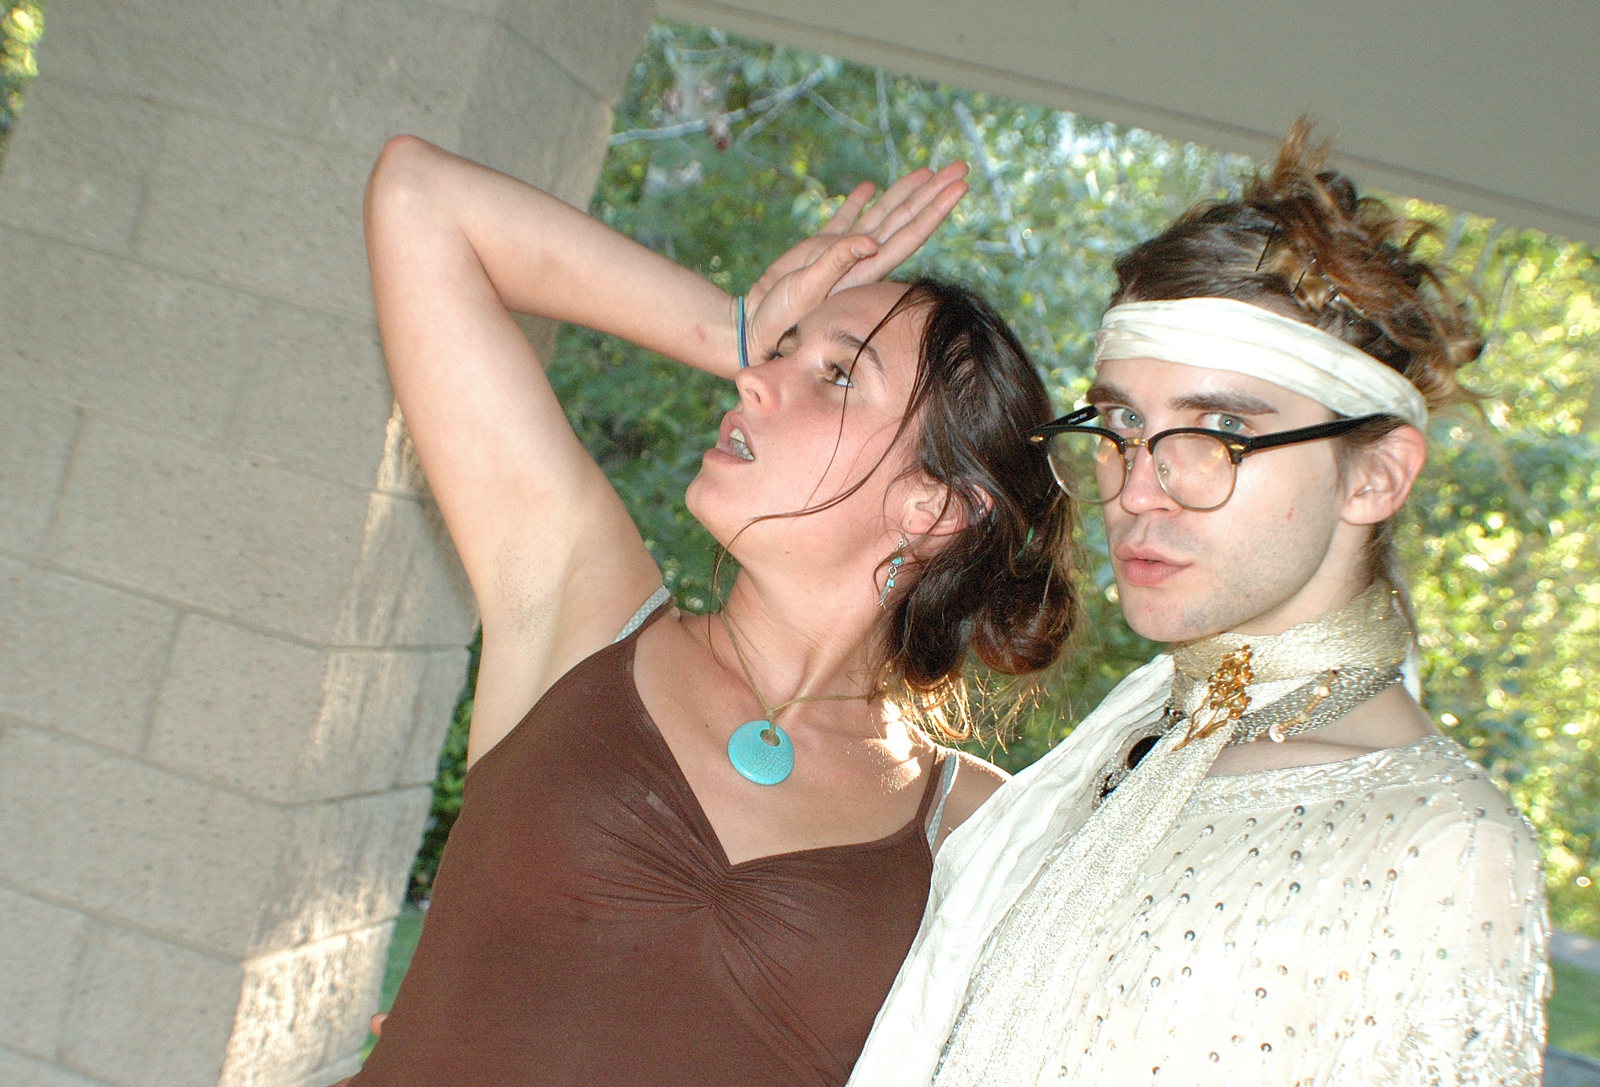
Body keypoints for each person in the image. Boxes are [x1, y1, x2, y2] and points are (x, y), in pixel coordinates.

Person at [348, 137, 1076, 1087]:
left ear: (931, 507)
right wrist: (729, 324)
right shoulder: (581, 609)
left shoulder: (982, 829)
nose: (754, 379)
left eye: (837, 374)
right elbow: (419, 198)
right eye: (776, 351)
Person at [848, 123, 1549, 1087]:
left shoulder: (1445, 846)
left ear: (1376, 474)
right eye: (1123, 422)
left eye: (1221, 428)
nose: (1139, 488)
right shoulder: (1128, 745)